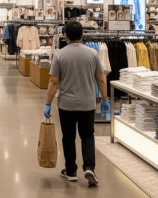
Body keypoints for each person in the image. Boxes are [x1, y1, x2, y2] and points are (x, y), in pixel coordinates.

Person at [44, 21, 109, 186]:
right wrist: (105, 100)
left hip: (66, 104)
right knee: (87, 135)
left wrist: (48, 103)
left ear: (65, 36)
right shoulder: (92, 54)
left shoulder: (59, 54)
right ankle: (89, 168)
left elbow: (53, 81)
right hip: (87, 104)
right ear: (82, 35)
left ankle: (71, 171)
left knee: (68, 137)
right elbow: (101, 78)